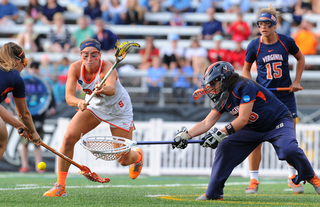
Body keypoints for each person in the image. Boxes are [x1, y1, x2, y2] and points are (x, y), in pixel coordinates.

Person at [171, 61, 320, 200]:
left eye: (214, 82)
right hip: (253, 127)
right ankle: (214, 193)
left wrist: (221, 133)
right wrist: (187, 135)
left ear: (225, 79)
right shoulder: (222, 96)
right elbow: (206, 122)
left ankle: (310, 175)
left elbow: (242, 119)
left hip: (277, 122)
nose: (211, 86)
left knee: (289, 150)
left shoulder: (244, 86)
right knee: (225, 147)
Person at [43, 38, 143, 197]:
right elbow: (69, 97)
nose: (90, 59)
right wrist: (79, 102)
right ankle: (60, 187)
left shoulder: (108, 66)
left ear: (100, 55)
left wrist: (101, 88)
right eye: (85, 55)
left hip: (119, 110)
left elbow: (110, 89)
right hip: (96, 107)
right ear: (80, 55)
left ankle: (137, 156)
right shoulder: (75, 68)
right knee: (68, 138)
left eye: (94, 55)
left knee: (123, 160)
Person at [242, 5, 306, 194]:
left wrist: (296, 81)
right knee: (255, 139)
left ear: (274, 25)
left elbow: (300, 59)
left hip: (285, 97)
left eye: (267, 24)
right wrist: (252, 85)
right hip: (264, 98)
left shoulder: (286, 41)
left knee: (289, 140)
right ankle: (253, 180)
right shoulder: (254, 45)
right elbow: (246, 69)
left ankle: (292, 177)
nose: (263, 27)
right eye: (260, 23)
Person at [0, 42, 42, 165]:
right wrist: (33, 132)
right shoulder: (15, 78)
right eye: (25, 63)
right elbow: (23, 113)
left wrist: (20, 126)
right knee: (1, 141)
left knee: (2, 134)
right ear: (18, 61)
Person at [19, 61, 56, 173]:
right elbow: (15, 97)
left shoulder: (43, 83)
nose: (34, 70)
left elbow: (50, 96)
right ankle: (24, 165)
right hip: (25, 117)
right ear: (28, 69)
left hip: (39, 117)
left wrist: (52, 107)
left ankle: (38, 166)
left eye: (36, 68)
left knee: (38, 142)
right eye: (32, 68)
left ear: (39, 69)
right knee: (24, 143)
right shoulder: (22, 82)